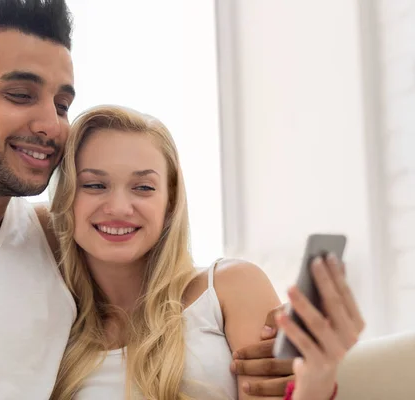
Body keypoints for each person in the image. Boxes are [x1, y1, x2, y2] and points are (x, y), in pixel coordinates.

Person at [0, 0, 291, 398]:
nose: (51, 124)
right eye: (21, 94)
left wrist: (277, 357)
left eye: (62, 104)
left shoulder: (57, 236)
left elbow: (168, 290)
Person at [47, 105, 365, 399]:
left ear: (170, 204)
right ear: (65, 198)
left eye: (143, 187)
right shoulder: (52, 326)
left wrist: (316, 375)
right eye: (94, 185)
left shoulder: (229, 287)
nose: (118, 207)